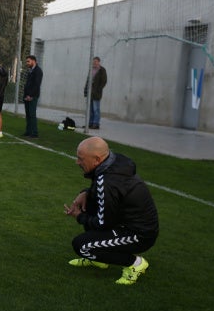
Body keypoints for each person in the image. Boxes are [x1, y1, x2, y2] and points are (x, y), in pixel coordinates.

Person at [63, 137, 158, 285]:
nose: (77, 162)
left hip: (140, 234)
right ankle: (98, 260)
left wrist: (79, 216)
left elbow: (103, 223)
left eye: (81, 159)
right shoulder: (113, 163)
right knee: (91, 202)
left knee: (81, 246)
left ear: (96, 159)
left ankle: (135, 264)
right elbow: (109, 195)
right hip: (126, 224)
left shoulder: (107, 181)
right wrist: (86, 193)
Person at [84, 56, 108, 129]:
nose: (94, 63)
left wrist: (98, 90)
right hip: (90, 93)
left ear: (99, 62)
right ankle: (90, 123)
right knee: (90, 110)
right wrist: (85, 90)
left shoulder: (102, 70)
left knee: (96, 109)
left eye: (96, 61)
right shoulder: (91, 69)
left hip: (96, 94)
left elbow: (104, 81)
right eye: (93, 61)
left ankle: (96, 124)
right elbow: (88, 80)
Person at [22, 55, 43, 138]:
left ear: (34, 61)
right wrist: (25, 95)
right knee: (28, 114)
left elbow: (36, 85)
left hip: (32, 96)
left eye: (28, 61)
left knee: (32, 114)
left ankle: (34, 133)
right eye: (26, 61)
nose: (27, 63)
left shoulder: (38, 71)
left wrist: (30, 95)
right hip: (27, 96)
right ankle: (28, 131)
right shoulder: (30, 70)